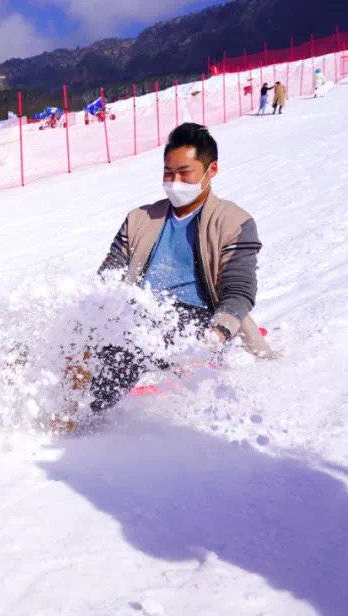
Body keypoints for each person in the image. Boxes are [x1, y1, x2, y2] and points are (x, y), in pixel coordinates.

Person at [81, 123, 273, 423]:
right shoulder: (140, 219)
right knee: (77, 336)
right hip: (138, 309)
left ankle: (82, 416)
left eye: (185, 173)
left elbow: (239, 291)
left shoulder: (234, 222)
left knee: (130, 345)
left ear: (211, 171)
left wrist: (219, 330)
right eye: (168, 173)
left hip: (194, 317)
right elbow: (109, 276)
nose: (175, 182)